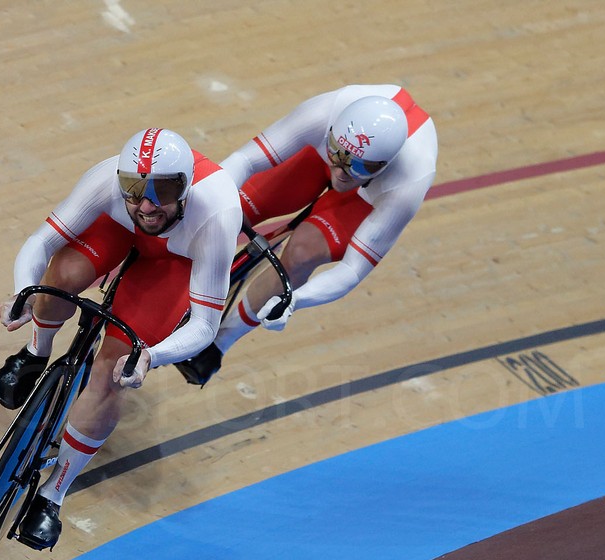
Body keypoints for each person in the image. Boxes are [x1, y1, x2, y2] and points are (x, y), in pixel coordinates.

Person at [0, 127, 242, 550]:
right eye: (134, 191)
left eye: (162, 192)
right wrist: (23, 293)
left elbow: (205, 324)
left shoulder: (217, 213)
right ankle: (37, 352)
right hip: (116, 230)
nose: (146, 206)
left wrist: (152, 357)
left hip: (175, 262)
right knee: (57, 281)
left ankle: (52, 494)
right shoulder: (105, 180)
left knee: (112, 374)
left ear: (186, 187)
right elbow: (41, 242)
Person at [174, 84, 438, 385]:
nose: (341, 172)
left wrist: (294, 300)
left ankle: (221, 342)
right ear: (333, 132)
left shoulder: (408, 182)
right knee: (236, 207)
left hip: (365, 196)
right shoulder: (324, 112)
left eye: (358, 166)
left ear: (384, 165)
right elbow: (244, 161)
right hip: (316, 158)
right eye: (339, 153)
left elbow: (352, 270)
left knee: (302, 253)